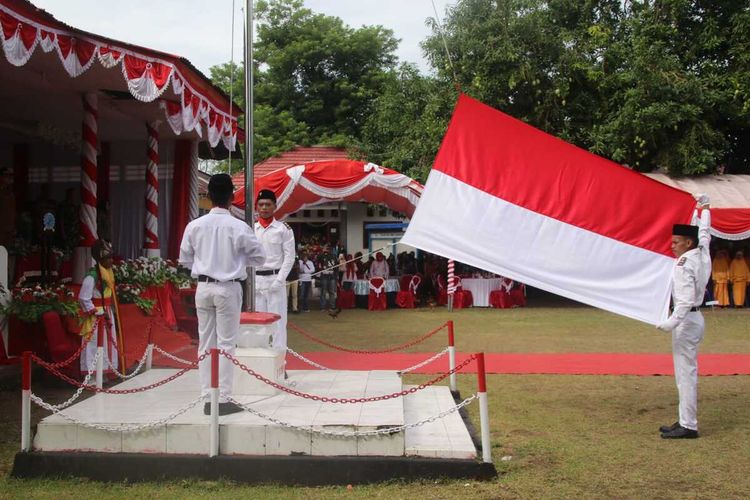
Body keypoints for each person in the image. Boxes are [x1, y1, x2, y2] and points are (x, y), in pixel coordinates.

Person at [179, 173, 266, 416]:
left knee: (205, 341)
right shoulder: (238, 226)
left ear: (208, 196)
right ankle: (223, 397)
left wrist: (207, 260)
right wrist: (236, 258)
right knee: (227, 343)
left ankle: (208, 395)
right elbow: (260, 257)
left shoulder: (194, 226)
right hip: (228, 287)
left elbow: (185, 259)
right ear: (232, 197)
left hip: (203, 286)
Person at [656, 195, 711, 439]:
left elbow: (685, 300)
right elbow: (705, 233)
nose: (672, 246)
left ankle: (688, 425)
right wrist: (704, 210)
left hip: (686, 320)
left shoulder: (683, 264)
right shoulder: (702, 252)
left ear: (688, 242)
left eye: (676, 242)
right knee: (686, 372)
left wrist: (669, 323)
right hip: (695, 319)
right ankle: (685, 420)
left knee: (685, 374)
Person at [253, 189, 295, 353]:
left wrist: (280, 280)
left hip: (275, 279)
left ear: (275, 206)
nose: (264, 208)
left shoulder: (283, 229)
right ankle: (261, 360)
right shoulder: (251, 228)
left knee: (278, 322)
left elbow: (289, 257)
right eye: (261, 204)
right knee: (258, 323)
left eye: (268, 204)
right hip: (256, 281)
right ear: (256, 206)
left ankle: (279, 363)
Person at [78, 239, 122, 373]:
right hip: (96, 316)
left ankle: (105, 371)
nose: (111, 261)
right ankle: (91, 376)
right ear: (101, 259)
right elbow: (83, 297)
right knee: (93, 344)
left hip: (107, 311)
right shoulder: (92, 276)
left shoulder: (108, 273)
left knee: (108, 342)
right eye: (108, 258)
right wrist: (95, 312)